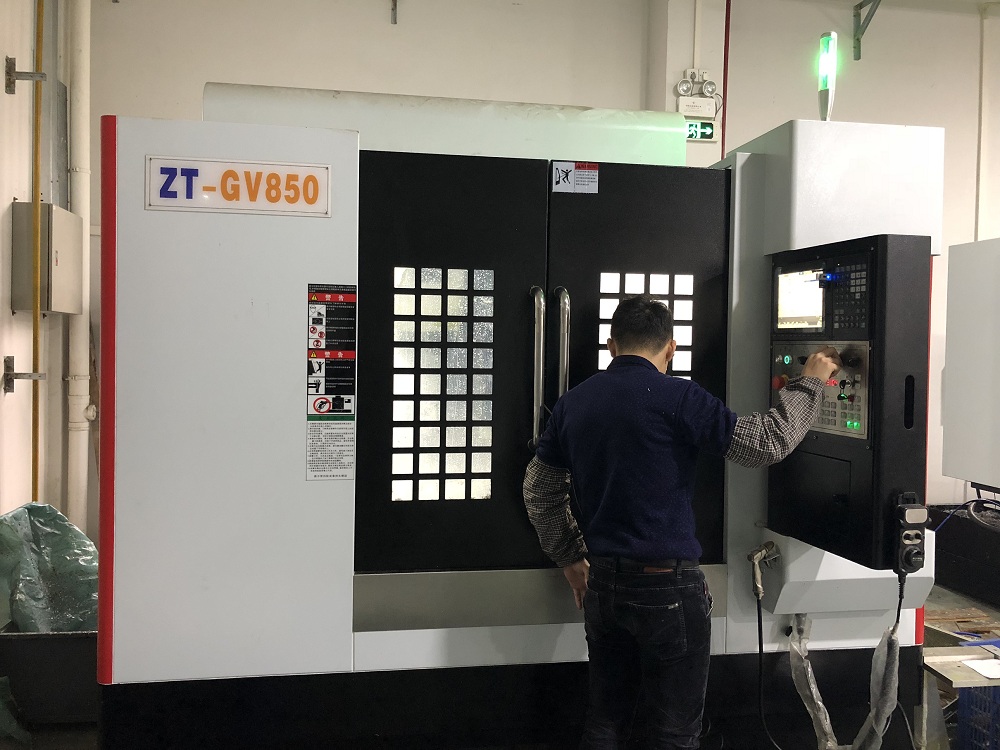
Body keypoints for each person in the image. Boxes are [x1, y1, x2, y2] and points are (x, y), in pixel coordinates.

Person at [523, 294, 841, 750]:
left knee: (605, 722)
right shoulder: (680, 397)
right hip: (668, 590)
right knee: (674, 734)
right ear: (670, 348)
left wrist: (571, 557)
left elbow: (539, 491)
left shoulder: (573, 403)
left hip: (603, 587)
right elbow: (766, 443)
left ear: (612, 346)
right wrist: (810, 384)